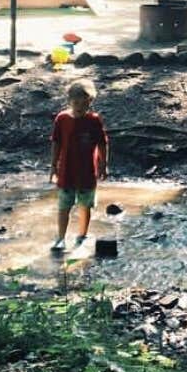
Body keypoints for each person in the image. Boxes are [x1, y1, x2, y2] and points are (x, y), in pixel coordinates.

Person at [49, 80, 110, 253]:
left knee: (85, 205)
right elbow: (56, 142)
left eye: (85, 103)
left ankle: (82, 236)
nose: (80, 107)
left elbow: (102, 144)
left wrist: (104, 165)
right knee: (64, 206)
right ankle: (60, 238)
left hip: (87, 172)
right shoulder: (62, 119)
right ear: (69, 101)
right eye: (76, 103)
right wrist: (53, 166)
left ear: (90, 102)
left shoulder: (94, 120)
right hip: (66, 171)